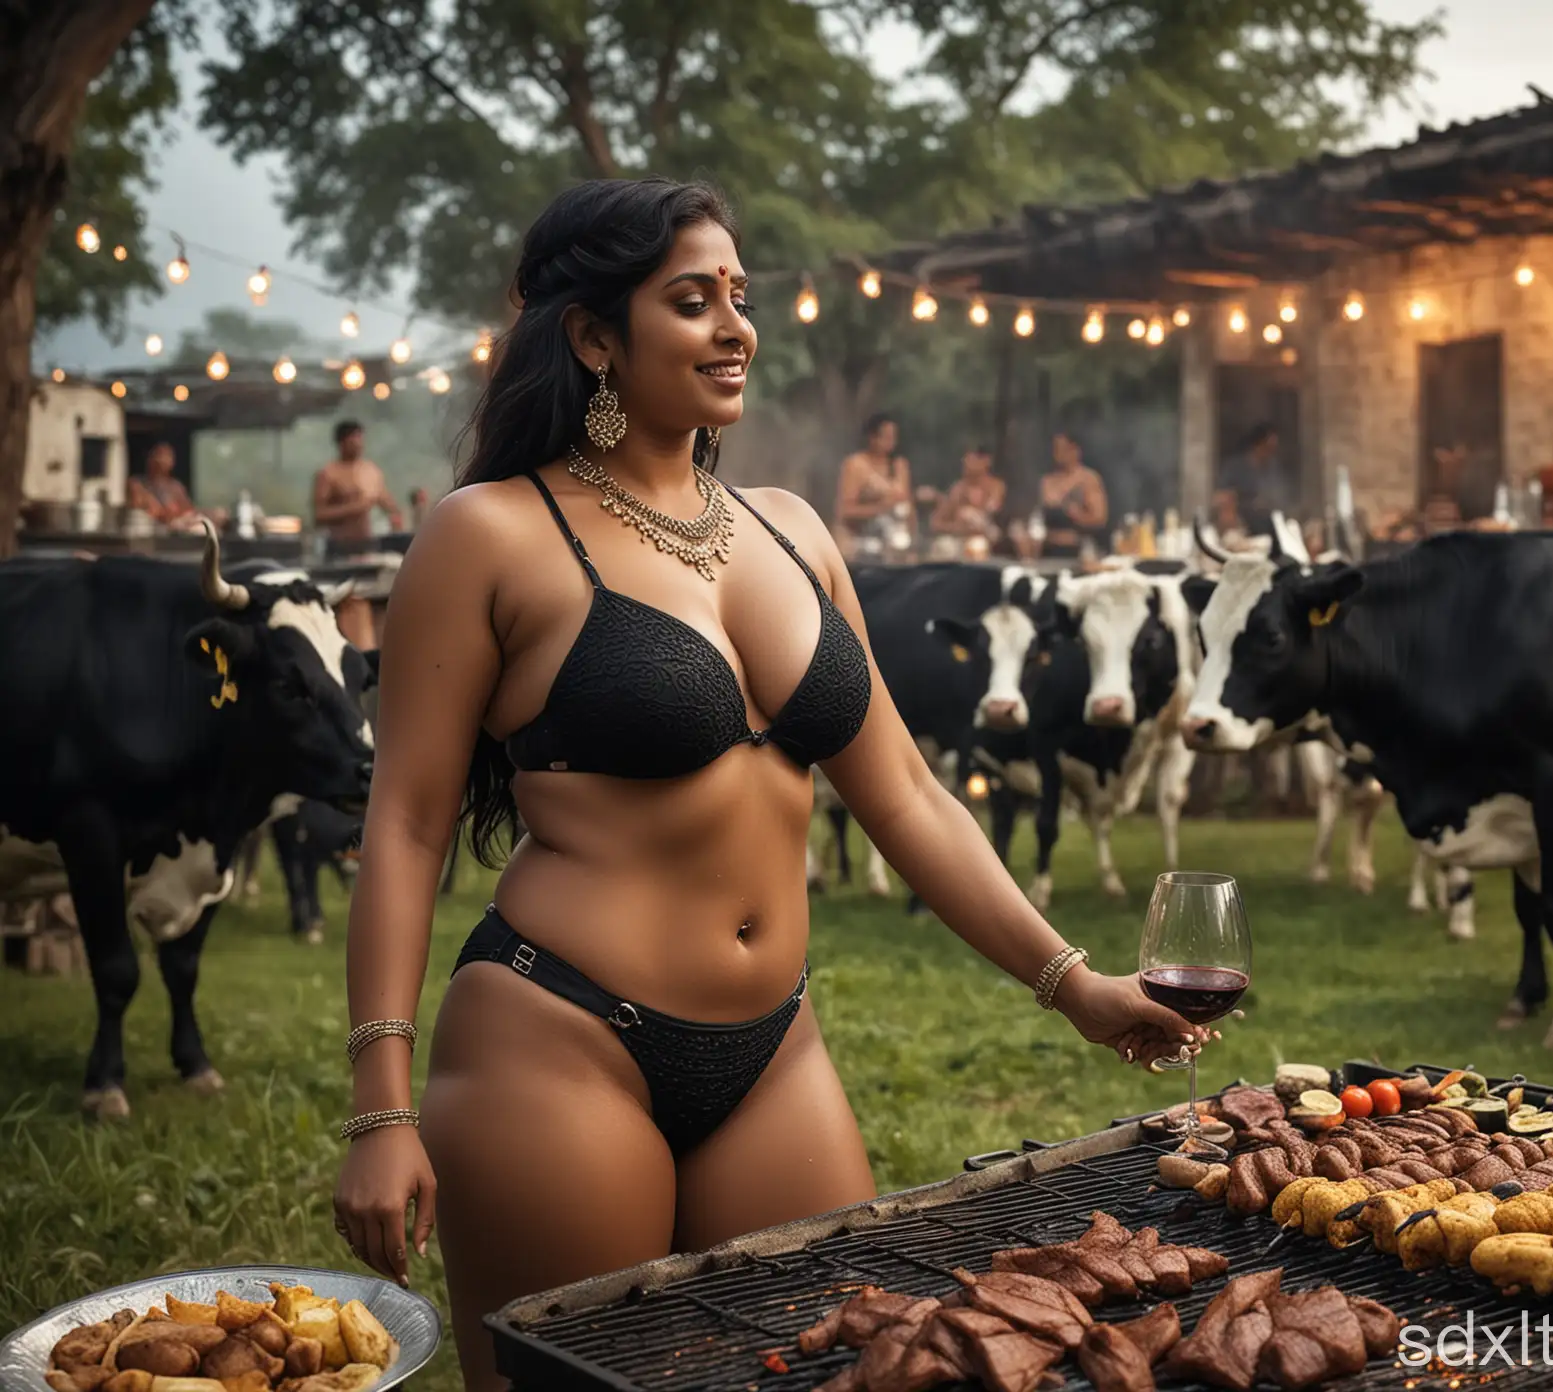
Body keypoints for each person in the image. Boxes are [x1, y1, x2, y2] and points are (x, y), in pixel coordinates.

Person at [330, 178, 1203, 1392]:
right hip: (562, 1040)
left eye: (740, 297)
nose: (736, 326)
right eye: (693, 301)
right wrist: (381, 1106)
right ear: (593, 337)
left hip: (774, 1047)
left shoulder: (792, 530)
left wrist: (1075, 986)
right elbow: (410, 821)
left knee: (824, 1373)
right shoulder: (491, 535)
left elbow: (902, 792)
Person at [314, 422, 403, 648]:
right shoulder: (329, 473)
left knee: (377, 598)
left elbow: (385, 501)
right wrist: (355, 507)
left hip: (369, 546)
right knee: (346, 603)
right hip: (340, 550)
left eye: (360, 439)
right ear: (341, 443)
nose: (358, 445)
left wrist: (395, 514)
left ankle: (378, 647)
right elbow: (319, 514)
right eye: (352, 440)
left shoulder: (370, 470)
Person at [833, 413, 912, 547]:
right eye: (886, 437)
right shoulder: (856, 465)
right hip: (861, 540)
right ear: (872, 437)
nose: (890, 441)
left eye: (893, 437)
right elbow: (845, 510)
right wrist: (881, 508)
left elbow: (908, 506)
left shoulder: (900, 465)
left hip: (895, 540)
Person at [1038, 431, 1108, 558]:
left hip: (1077, 549)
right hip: (1047, 548)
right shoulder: (1047, 480)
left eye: (1062, 449)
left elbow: (1099, 519)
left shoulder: (1088, 479)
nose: (1058, 454)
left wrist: (1077, 515)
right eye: (1055, 449)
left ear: (1075, 450)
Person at [1214, 423, 1286, 536]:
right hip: (1239, 528)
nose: (1271, 453)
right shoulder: (1235, 467)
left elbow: (1280, 496)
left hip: (1267, 528)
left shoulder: (1273, 468)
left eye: (1273, 449)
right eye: (1268, 448)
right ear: (1257, 445)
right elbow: (1221, 496)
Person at [926, 442, 1005, 539]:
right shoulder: (958, 489)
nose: (966, 462)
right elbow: (936, 523)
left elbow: (992, 513)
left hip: (990, 541)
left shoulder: (995, 487)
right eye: (965, 458)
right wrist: (957, 528)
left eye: (972, 458)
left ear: (986, 461)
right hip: (960, 543)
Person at [125, 442, 198, 526]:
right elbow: (152, 510)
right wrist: (166, 511)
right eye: (159, 454)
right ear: (149, 458)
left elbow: (189, 510)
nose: (163, 460)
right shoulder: (136, 484)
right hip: (149, 530)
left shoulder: (176, 486)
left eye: (168, 456)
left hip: (175, 531)